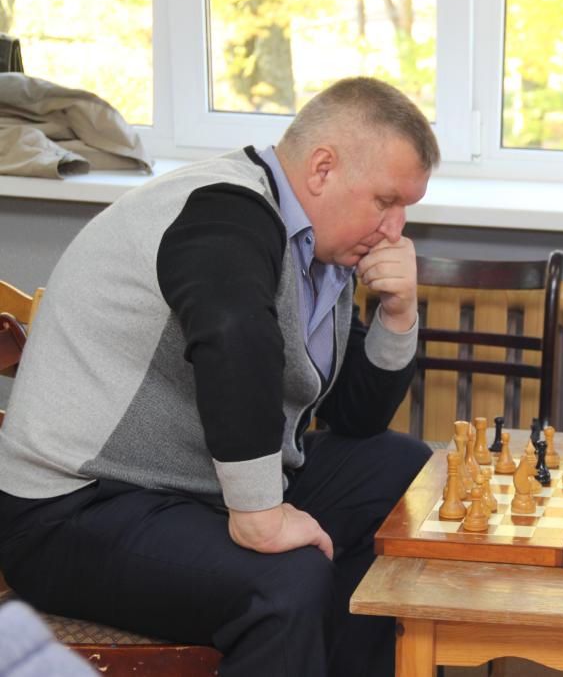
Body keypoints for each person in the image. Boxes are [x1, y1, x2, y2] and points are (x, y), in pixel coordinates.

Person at [0, 76, 438, 676]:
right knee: (287, 582)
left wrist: (398, 314)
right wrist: (261, 516)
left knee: (400, 471)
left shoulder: (318, 253)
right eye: (386, 201)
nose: (396, 229)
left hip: (189, 487)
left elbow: (356, 417)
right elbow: (233, 334)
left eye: (406, 208)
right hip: (73, 509)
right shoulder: (222, 210)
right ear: (322, 169)